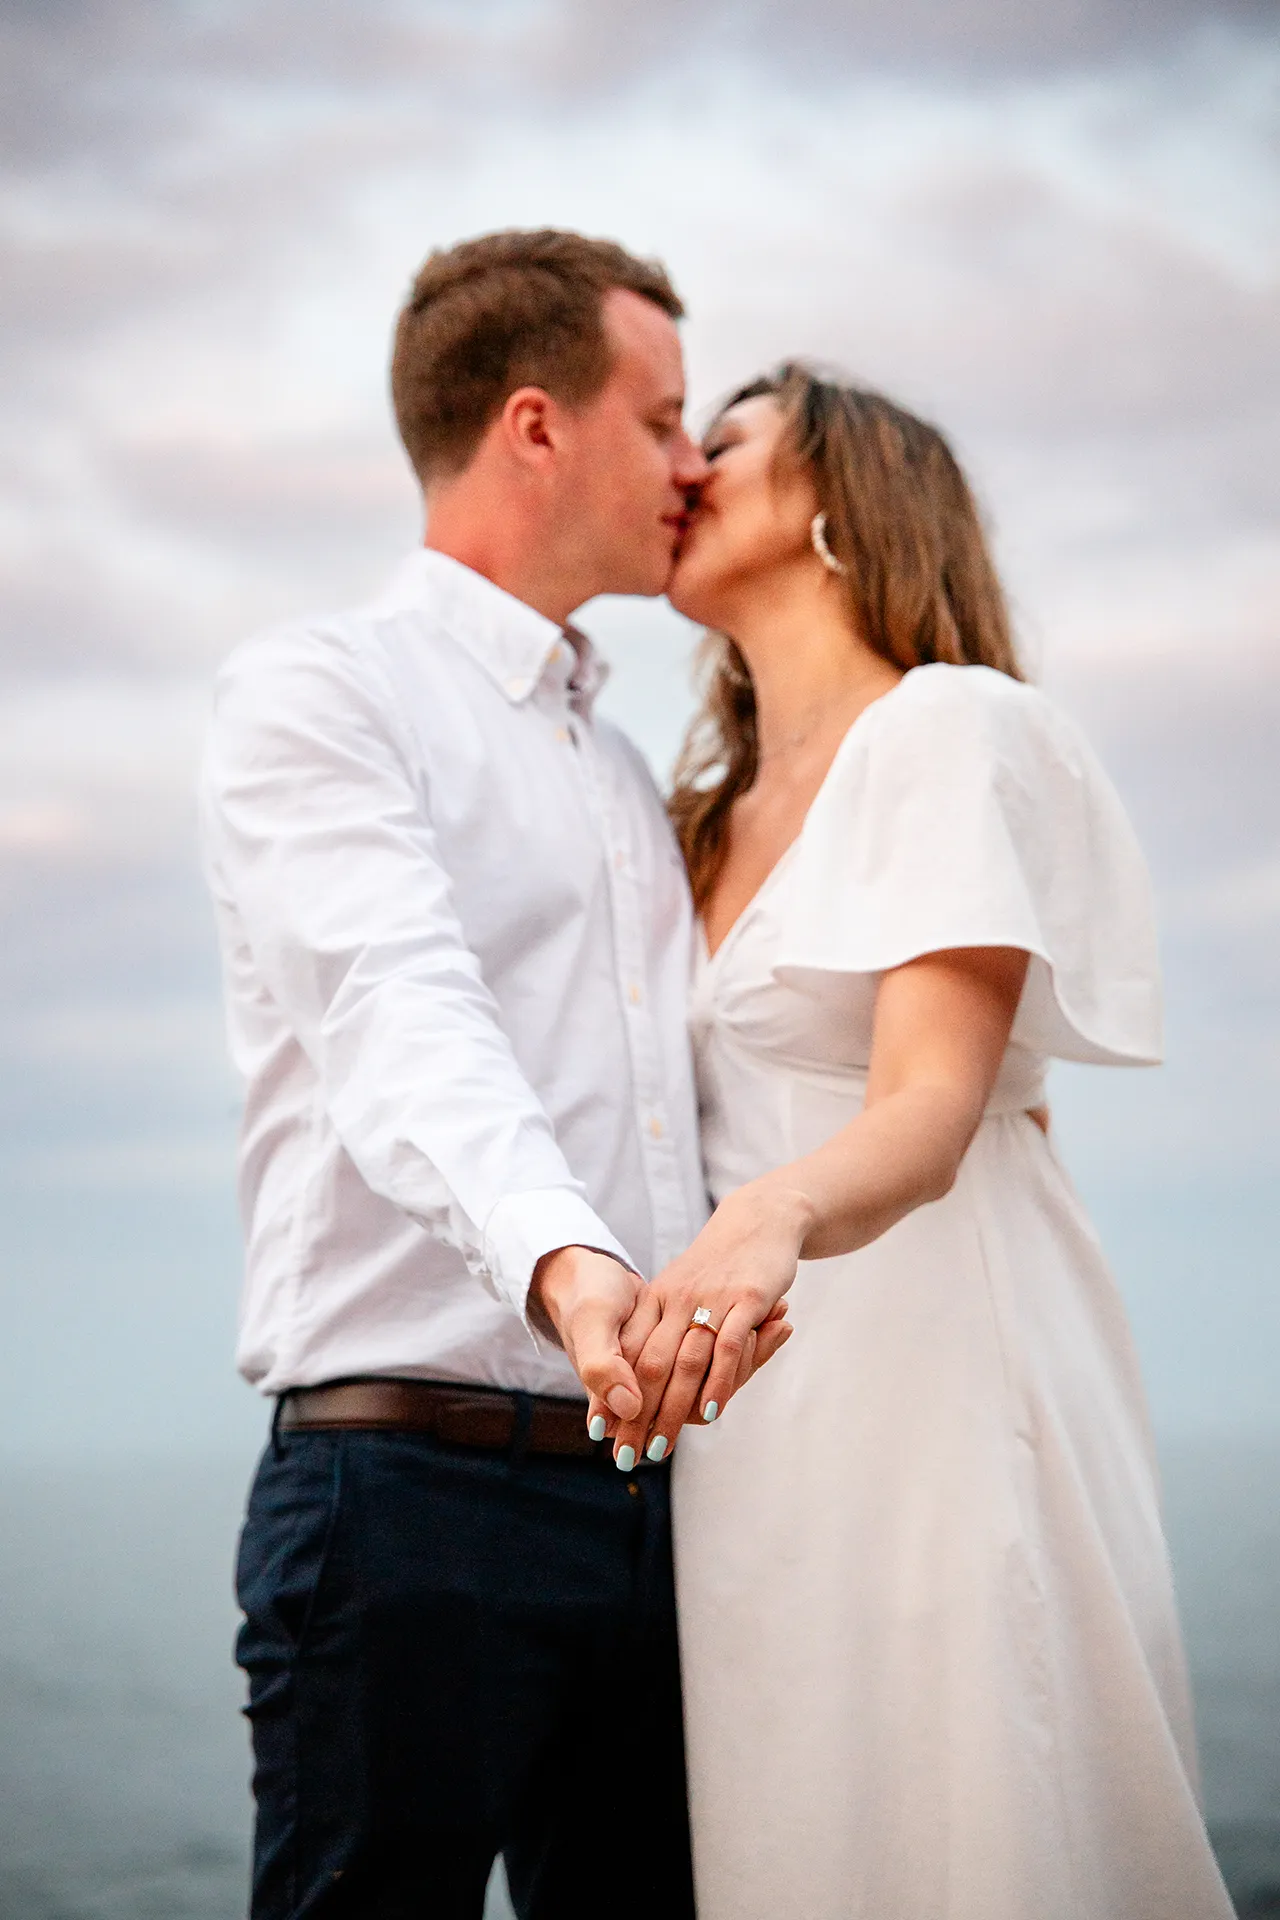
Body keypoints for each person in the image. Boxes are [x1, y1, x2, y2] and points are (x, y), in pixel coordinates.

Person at [588, 365, 1235, 1919]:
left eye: (723, 441)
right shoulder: (696, 814)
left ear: (836, 501)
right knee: (803, 1821)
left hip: (933, 1357)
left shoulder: (948, 728)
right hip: (755, 1401)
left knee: (977, 1794)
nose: (683, 470)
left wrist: (770, 1218)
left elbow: (935, 1112)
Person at [198, 229, 787, 1920]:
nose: (692, 465)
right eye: (666, 418)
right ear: (537, 425)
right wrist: (569, 1261)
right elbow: (399, 1009)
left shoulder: (617, 763)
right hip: (404, 1505)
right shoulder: (322, 692)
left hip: (668, 1513)